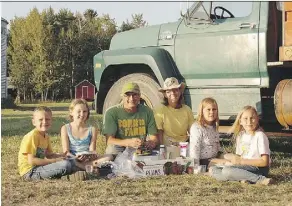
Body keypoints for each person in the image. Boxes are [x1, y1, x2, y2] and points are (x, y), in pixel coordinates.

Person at [209, 106, 274, 185]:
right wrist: (227, 160)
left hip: (258, 168)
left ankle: (260, 179)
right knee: (213, 169)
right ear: (240, 121)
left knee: (227, 171)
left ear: (257, 119)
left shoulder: (260, 136)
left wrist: (242, 161)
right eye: (245, 119)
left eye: (252, 118)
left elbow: (264, 162)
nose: (249, 121)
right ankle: (242, 178)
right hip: (244, 167)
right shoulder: (240, 135)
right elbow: (239, 158)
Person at [18, 106, 76, 180]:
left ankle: (73, 172)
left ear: (51, 121)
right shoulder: (32, 136)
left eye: (47, 119)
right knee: (65, 165)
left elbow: (48, 155)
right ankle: (68, 175)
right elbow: (31, 160)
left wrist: (61, 155)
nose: (45, 122)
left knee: (70, 160)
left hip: (40, 167)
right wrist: (55, 161)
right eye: (40, 119)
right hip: (30, 172)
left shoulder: (46, 136)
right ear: (34, 122)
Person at [103, 82, 158, 155]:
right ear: (122, 96)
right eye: (127, 95)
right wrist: (128, 142)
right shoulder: (112, 112)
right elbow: (109, 141)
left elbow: (154, 137)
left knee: (159, 149)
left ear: (139, 96)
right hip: (120, 147)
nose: (131, 98)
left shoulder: (147, 111)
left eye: (135, 95)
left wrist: (152, 143)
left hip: (140, 147)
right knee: (111, 149)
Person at [61, 99, 112, 170]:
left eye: (84, 111)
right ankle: (86, 167)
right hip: (72, 158)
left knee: (109, 157)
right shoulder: (65, 128)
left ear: (88, 113)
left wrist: (92, 155)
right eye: (79, 111)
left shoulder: (92, 129)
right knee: (65, 160)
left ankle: (82, 167)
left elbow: (92, 150)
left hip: (87, 160)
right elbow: (66, 152)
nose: (82, 114)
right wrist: (75, 158)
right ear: (71, 112)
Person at [154, 77, 195, 146]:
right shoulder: (160, 109)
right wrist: (162, 147)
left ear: (180, 92)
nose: (172, 93)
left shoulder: (187, 109)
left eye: (175, 90)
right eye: (168, 91)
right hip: (168, 145)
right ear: (165, 95)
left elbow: (192, 130)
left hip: (184, 145)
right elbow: (159, 130)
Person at [189, 97, 224, 167]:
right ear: (202, 111)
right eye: (208, 109)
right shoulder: (197, 127)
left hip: (215, 157)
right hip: (204, 161)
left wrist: (224, 154)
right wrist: (196, 167)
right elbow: (195, 149)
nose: (212, 112)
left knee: (233, 158)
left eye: (214, 109)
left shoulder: (214, 126)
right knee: (227, 163)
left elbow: (217, 145)